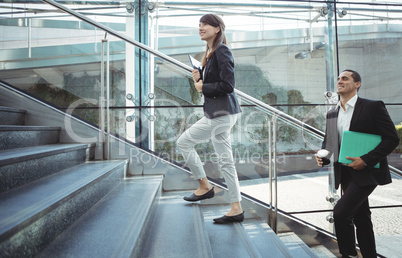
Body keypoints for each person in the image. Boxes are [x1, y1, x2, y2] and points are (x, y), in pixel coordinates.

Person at [315, 69, 399, 257]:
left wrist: (366, 160)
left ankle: (349, 255)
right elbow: (329, 144)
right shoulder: (332, 113)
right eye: (338, 79)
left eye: (345, 78)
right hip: (344, 173)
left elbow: (392, 138)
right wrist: (324, 157)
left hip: (367, 172)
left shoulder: (372, 107)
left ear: (357, 84)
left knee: (340, 213)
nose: (340, 81)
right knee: (362, 217)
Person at [177, 14, 244, 224]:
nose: (200, 27)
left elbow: (228, 85)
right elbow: (215, 83)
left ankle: (205, 186)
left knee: (183, 142)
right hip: (222, 113)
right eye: (199, 24)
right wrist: (200, 78)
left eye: (205, 24)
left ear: (217, 29)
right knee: (226, 162)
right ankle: (236, 208)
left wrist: (202, 86)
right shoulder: (210, 52)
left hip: (221, 114)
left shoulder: (222, 50)